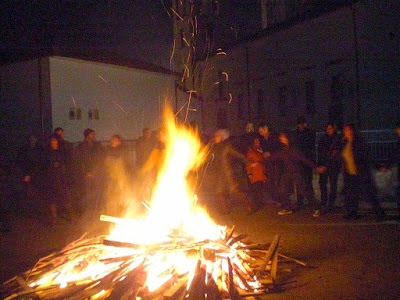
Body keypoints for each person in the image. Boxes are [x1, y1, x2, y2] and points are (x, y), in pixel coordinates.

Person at [266, 130, 325, 217]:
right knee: (282, 190)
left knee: (304, 191)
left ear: (288, 138)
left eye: (283, 136)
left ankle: (317, 207)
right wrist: (261, 160)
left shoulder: (294, 150)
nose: (281, 138)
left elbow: (304, 160)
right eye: (281, 137)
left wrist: (316, 167)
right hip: (287, 173)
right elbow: (275, 157)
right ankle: (288, 207)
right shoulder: (283, 149)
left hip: (297, 172)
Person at [341, 123, 385, 221]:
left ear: (352, 131)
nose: (346, 132)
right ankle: (352, 213)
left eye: (348, 130)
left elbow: (367, 156)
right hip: (349, 173)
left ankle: (380, 213)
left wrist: (377, 166)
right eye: (345, 130)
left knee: (368, 194)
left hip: (360, 172)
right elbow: (342, 157)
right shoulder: (345, 142)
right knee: (351, 195)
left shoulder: (358, 142)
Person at [206, 129, 255, 214]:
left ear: (221, 137)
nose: (214, 137)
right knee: (219, 192)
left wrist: (249, 162)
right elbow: (208, 158)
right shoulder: (213, 147)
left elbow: (238, 155)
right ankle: (225, 210)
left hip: (228, 173)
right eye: (214, 136)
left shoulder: (226, 146)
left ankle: (249, 206)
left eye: (217, 136)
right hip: (219, 174)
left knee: (235, 191)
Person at [43, 135, 74, 224]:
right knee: (52, 200)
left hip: (61, 179)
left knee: (65, 199)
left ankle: (71, 216)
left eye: (55, 141)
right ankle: (54, 218)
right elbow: (44, 166)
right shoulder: (47, 153)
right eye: (52, 141)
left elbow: (67, 163)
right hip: (51, 180)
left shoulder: (61, 152)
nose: (53, 143)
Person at [74, 128, 104, 216]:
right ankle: (87, 210)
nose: (94, 136)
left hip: (96, 173)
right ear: (87, 135)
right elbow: (79, 161)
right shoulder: (80, 147)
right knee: (86, 192)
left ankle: (95, 209)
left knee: (96, 191)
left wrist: (96, 171)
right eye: (92, 134)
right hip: (86, 174)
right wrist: (86, 172)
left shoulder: (97, 145)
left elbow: (100, 158)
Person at [104, 134, 131, 216]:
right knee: (110, 196)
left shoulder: (123, 152)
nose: (112, 142)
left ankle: (121, 213)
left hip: (121, 178)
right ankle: (111, 214)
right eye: (112, 140)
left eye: (115, 140)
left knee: (121, 196)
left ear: (119, 142)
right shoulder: (107, 151)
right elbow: (105, 165)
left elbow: (127, 165)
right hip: (111, 178)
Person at [317, 122, 342, 212]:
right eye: (327, 128)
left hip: (333, 166)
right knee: (322, 183)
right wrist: (319, 165)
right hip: (323, 164)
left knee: (333, 185)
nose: (329, 130)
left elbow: (335, 153)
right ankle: (323, 201)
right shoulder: (323, 138)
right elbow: (320, 152)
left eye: (330, 128)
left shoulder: (337, 138)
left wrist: (326, 164)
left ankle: (331, 203)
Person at [293, 116, 316, 208]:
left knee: (308, 181)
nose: (301, 125)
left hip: (306, 160)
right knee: (299, 181)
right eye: (300, 124)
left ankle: (311, 200)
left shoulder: (310, 133)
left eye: (303, 124)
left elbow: (311, 147)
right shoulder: (296, 134)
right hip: (299, 161)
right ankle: (300, 200)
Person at [257, 122, 281, 206]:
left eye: (261, 130)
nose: (260, 132)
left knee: (276, 180)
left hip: (276, 162)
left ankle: (279, 199)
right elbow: (264, 150)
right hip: (269, 163)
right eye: (259, 131)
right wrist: (262, 152)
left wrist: (270, 153)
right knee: (270, 180)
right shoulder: (262, 139)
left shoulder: (274, 137)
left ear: (266, 129)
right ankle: (274, 199)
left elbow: (278, 148)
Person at [246, 137, 267, 209]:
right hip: (255, 174)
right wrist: (249, 174)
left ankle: (259, 204)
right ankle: (254, 205)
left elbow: (263, 160)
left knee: (259, 189)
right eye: (256, 141)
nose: (257, 143)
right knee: (255, 190)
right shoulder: (250, 152)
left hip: (261, 173)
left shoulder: (259, 151)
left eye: (258, 141)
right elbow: (248, 164)